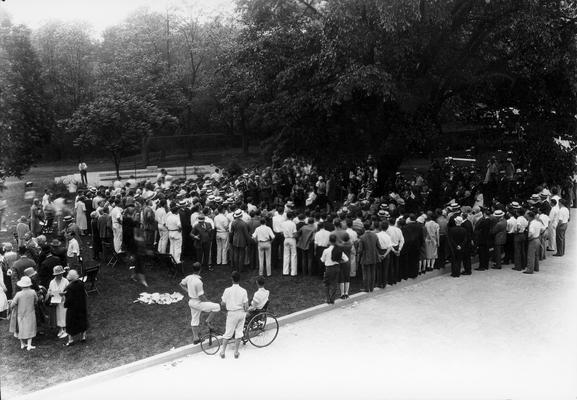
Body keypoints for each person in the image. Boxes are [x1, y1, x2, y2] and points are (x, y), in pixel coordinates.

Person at [180, 262, 220, 344]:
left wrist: (188, 291)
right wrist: (208, 302)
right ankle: (208, 321)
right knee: (217, 307)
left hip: (191, 302)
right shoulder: (198, 282)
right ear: (200, 270)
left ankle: (196, 338)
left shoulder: (188, 277)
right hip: (197, 302)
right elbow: (201, 296)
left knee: (194, 319)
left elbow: (181, 284)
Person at [219, 271, 248, 359]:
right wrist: (245, 311)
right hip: (241, 313)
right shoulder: (243, 291)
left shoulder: (227, 290)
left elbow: (222, 303)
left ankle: (223, 351)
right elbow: (246, 305)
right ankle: (236, 352)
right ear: (239, 279)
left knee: (228, 332)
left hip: (232, 313)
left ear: (232, 279)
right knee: (239, 332)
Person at [9, 276, 38, 350]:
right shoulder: (33, 292)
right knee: (30, 328)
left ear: (21, 285)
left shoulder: (19, 294)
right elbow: (36, 301)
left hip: (20, 314)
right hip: (30, 313)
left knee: (21, 328)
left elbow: (13, 304)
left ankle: (22, 344)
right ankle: (29, 345)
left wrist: (11, 307)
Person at [321, 234, 349, 304]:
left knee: (326, 284)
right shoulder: (339, 250)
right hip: (336, 268)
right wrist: (339, 261)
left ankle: (327, 298)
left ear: (329, 241)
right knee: (334, 284)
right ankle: (332, 299)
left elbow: (322, 260)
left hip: (328, 268)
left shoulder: (326, 250)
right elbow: (346, 259)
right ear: (336, 241)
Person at [63, 269, 88, 346]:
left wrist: (65, 304)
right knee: (82, 320)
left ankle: (70, 340)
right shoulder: (81, 284)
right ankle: (83, 336)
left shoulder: (69, 288)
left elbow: (69, 299)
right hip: (81, 305)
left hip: (72, 308)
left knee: (70, 323)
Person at [357, 221, 380, 292]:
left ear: (364, 228)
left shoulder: (362, 237)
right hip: (374, 256)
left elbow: (360, 250)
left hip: (366, 257)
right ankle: (371, 288)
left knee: (366, 274)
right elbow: (379, 246)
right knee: (373, 272)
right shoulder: (375, 235)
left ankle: (366, 288)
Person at [47, 265, 69, 339]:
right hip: (55, 301)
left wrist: (64, 293)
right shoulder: (52, 282)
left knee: (64, 314)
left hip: (63, 300)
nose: (60, 275)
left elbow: (69, 290)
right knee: (57, 315)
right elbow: (49, 291)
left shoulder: (65, 281)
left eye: (61, 274)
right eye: (58, 274)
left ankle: (65, 329)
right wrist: (50, 294)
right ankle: (60, 329)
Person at [281, 211, 298, 276]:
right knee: (293, 255)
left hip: (286, 239)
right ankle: (293, 272)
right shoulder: (293, 224)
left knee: (286, 255)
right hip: (292, 239)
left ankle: (285, 271)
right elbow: (295, 233)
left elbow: (282, 233)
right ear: (292, 217)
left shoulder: (283, 223)